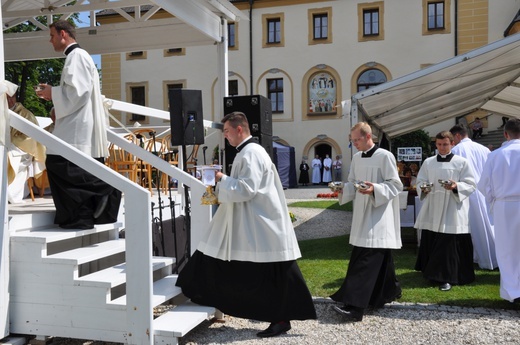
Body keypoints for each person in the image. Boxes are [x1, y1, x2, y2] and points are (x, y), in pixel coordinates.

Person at [176, 112, 316, 337]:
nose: (226, 136)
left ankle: (280, 318)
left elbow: (246, 190)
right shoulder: (250, 152)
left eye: (227, 132)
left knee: (272, 274)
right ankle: (276, 317)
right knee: (256, 270)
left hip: (261, 223)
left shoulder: (251, 153)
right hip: (256, 221)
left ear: (239, 129)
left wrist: (221, 178)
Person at [36, 19, 121, 230]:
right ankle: (80, 218)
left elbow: (77, 93)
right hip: (76, 122)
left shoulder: (76, 56)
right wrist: (54, 98)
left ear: (63, 34)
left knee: (59, 163)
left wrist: (52, 92)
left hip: (78, 127)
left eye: (52, 35)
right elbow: (76, 92)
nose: (50, 40)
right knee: (67, 167)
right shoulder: (77, 57)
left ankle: (108, 187)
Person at [330, 122, 403, 322]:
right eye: (352, 140)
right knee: (376, 260)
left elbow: (396, 185)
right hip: (362, 214)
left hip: (378, 216)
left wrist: (375, 190)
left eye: (356, 140)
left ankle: (355, 308)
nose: (354, 144)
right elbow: (353, 183)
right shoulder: (356, 158)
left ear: (368, 136)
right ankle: (387, 292)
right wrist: (343, 189)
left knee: (365, 262)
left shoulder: (385, 156)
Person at [414, 131, 476, 291]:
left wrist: (456, 186)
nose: (442, 147)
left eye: (445, 144)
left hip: (452, 207)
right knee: (433, 238)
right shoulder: (428, 162)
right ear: (436, 144)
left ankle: (446, 277)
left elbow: (471, 184)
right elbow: (420, 181)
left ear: (452, 144)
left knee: (448, 243)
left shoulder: (461, 162)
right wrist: (423, 187)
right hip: (434, 206)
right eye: (440, 144)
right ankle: (430, 273)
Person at [478, 118, 520, 303]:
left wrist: (493, 199)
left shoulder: (495, 155)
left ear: (505, 133)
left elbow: (483, 185)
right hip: (506, 201)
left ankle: (514, 292)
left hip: (505, 205)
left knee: (507, 249)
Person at [449, 124, 497, 270]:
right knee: (489, 226)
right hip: (484, 191)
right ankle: (493, 256)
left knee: (473, 228)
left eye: (452, 139)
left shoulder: (456, 150)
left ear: (457, 136)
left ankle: (477, 256)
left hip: (467, 192)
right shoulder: (483, 149)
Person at [6, 92, 46, 203]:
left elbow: (31, 137)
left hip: (23, 150)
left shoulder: (25, 114)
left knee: (7, 158)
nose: (10, 101)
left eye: (12, 97)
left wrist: (10, 142)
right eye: (7, 98)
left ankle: (9, 194)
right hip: (9, 147)